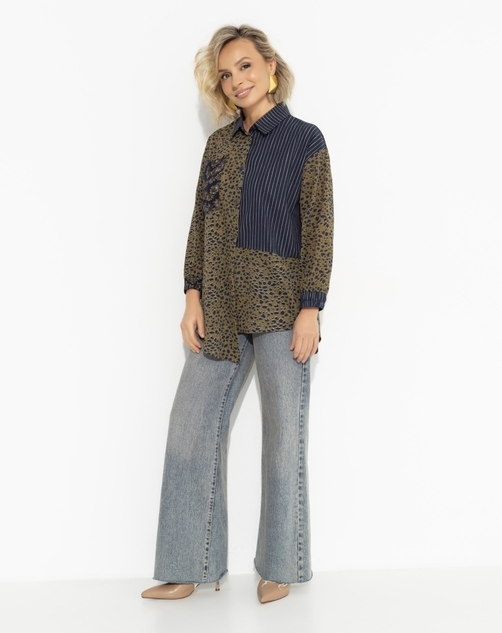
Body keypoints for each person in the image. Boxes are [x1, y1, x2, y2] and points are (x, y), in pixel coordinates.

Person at [141, 24, 333, 604]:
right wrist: (191, 294)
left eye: (245, 66)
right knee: (190, 429)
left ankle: (280, 565)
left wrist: (310, 309)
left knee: (283, 438)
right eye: (226, 74)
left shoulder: (305, 140)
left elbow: (319, 228)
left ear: (270, 66)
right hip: (220, 304)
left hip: (281, 305)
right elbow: (200, 224)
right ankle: (190, 565)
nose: (236, 81)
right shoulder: (219, 146)